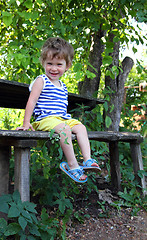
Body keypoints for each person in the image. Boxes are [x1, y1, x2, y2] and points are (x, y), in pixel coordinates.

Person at [16, 37, 101, 183]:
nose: (53, 68)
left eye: (58, 64)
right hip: (45, 120)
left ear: (67, 66)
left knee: (81, 127)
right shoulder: (41, 80)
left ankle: (87, 160)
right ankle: (72, 166)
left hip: (62, 119)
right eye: (49, 63)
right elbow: (32, 101)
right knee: (65, 130)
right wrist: (26, 123)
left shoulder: (63, 86)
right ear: (43, 63)